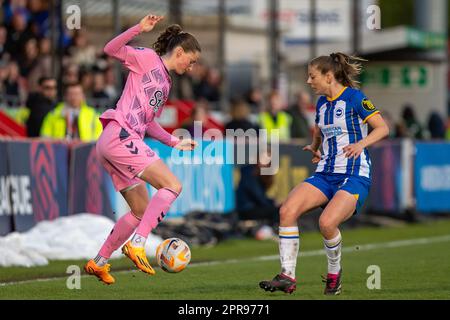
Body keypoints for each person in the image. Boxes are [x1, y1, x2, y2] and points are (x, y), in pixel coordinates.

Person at [84, 14, 200, 285]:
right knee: (172, 185)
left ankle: (99, 262)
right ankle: (138, 243)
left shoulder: (167, 83)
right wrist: (139, 28)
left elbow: (148, 123)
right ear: (179, 52)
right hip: (120, 136)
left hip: (115, 142)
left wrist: (173, 141)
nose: (192, 68)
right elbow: (110, 49)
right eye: (191, 61)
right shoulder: (147, 58)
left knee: (139, 210)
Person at [259, 52, 389, 295]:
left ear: (329, 76)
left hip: (354, 175)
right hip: (325, 173)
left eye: (312, 76)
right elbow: (319, 130)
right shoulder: (321, 104)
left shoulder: (354, 98)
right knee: (287, 211)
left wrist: (361, 145)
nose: (309, 81)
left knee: (327, 223)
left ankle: (334, 273)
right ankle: (287, 276)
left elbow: (382, 128)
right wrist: (315, 147)